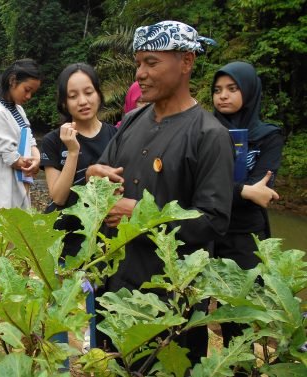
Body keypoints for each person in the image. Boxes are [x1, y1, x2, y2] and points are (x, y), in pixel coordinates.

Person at [86, 20, 234, 362]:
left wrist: (139, 214)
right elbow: (101, 180)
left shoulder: (209, 135)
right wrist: (93, 174)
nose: (140, 73)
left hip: (168, 308)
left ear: (186, 62)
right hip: (116, 292)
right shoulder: (135, 119)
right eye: (138, 63)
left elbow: (213, 222)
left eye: (151, 62)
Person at [40, 63, 117, 351]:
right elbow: (58, 196)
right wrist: (73, 151)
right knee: (60, 311)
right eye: (73, 95)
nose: (82, 101)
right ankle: (59, 368)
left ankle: (99, 360)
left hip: (104, 242)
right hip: (64, 240)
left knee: (99, 310)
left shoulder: (116, 136)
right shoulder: (52, 141)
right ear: (63, 102)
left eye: (88, 92)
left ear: (99, 94)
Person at [211, 61, 283, 345]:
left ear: (250, 91)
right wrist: (244, 191)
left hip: (245, 237)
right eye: (217, 90)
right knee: (192, 309)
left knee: (238, 320)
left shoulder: (268, 135)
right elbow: (196, 187)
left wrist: (227, 190)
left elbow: (263, 187)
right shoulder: (204, 129)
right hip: (208, 230)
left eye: (232, 88)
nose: (223, 96)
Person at [0, 59, 42, 221]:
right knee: (6, 239)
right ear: (13, 81)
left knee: (16, 239)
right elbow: (9, 156)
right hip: (4, 188)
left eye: (32, 92)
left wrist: (37, 158)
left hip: (19, 180)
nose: (29, 96)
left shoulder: (17, 109)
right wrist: (31, 165)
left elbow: (30, 139)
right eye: (26, 90)